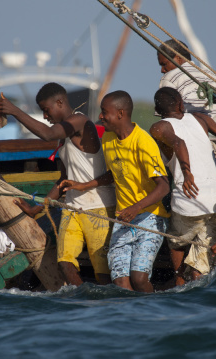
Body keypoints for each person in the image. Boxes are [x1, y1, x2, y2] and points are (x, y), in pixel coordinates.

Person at [0, 82, 116, 286]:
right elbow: (62, 182)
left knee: (103, 273)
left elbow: (47, 134)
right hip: (72, 208)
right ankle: (82, 302)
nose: (46, 117)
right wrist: (36, 208)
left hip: (98, 207)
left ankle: (103, 308)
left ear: (60, 102)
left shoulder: (80, 121)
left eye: (46, 111)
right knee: (65, 264)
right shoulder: (65, 138)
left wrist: (14, 111)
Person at [60, 90, 170, 293]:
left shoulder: (143, 142)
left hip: (150, 217)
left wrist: (136, 208)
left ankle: (152, 314)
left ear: (120, 114)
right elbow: (114, 172)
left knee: (139, 279)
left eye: (104, 112)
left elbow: (163, 186)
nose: (100, 116)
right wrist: (84, 185)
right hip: (124, 217)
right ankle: (126, 321)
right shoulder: (108, 138)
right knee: (120, 282)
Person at [150, 87, 216, 285]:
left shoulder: (159, 127)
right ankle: (196, 276)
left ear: (157, 110)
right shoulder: (201, 119)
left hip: (189, 202)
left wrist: (186, 172)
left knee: (175, 240)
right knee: (201, 263)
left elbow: (179, 142)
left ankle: (179, 280)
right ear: (181, 104)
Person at [156, 39, 216, 158]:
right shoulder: (208, 74)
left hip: (194, 145)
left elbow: (168, 120)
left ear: (178, 59)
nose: (162, 70)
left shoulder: (168, 78)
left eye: (164, 64)